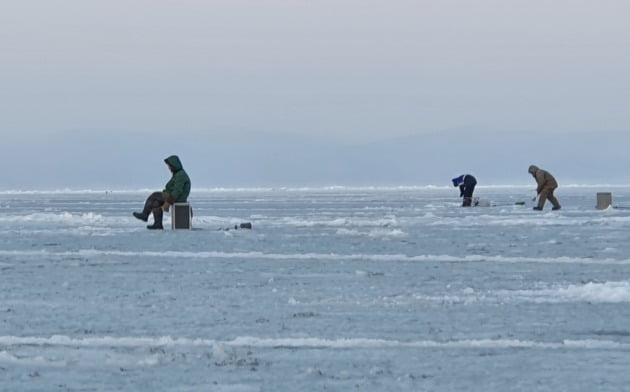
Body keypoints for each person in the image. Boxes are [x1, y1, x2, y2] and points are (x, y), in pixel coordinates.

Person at [133, 155, 191, 229]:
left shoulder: (180, 175)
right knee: (156, 203)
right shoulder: (177, 174)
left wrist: (169, 202)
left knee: (155, 195)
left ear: (174, 165)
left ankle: (145, 215)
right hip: (175, 196)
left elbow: (177, 190)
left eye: (170, 166)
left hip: (178, 197)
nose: (169, 168)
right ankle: (158, 225)